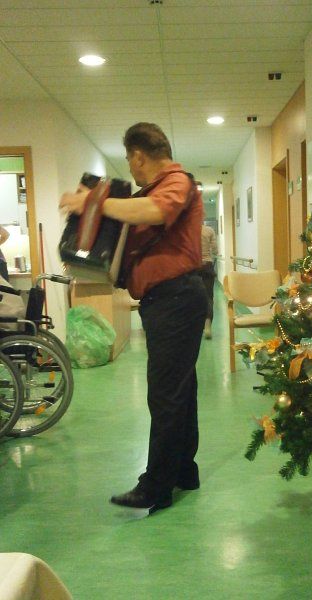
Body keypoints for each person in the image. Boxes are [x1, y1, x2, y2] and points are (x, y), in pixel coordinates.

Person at [60, 122, 208, 515]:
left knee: (165, 394)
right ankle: (184, 471)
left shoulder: (176, 182)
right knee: (180, 390)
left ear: (139, 155)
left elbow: (154, 211)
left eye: (129, 159)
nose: (130, 167)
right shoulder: (154, 188)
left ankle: (155, 487)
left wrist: (93, 204)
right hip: (170, 300)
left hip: (176, 299)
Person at [198, 222, 218, 338]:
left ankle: (196, 325)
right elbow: (215, 250)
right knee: (208, 296)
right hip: (207, 266)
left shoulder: (188, 230)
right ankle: (207, 324)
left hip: (192, 267)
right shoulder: (209, 230)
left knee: (193, 297)